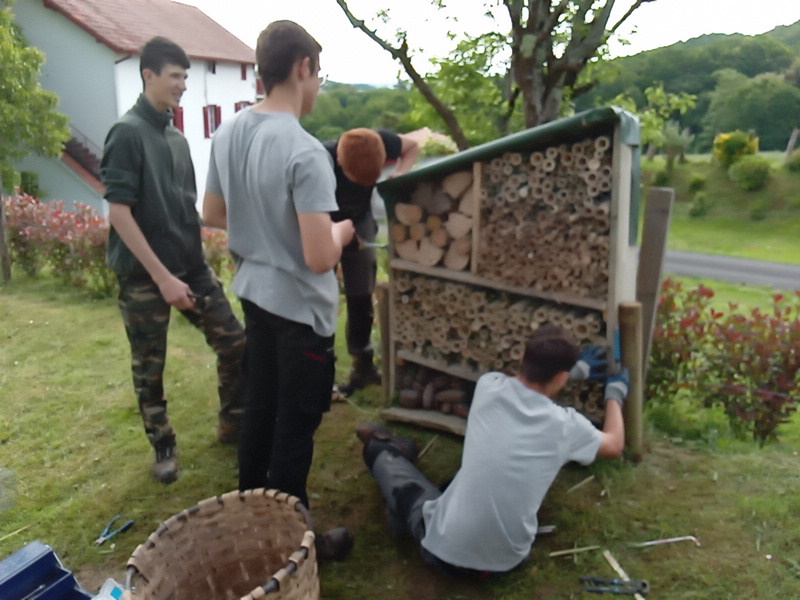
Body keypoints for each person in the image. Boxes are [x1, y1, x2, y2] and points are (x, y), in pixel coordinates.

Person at [202, 21, 355, 513]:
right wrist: (343, 232)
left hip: (254, 296)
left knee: (260, 413)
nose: (317, 87)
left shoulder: (228, 132)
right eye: (318, 75)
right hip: (300, 315)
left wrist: (263, 225)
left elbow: (213, 213)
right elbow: (318, 256)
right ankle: (289, 539)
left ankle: (252, 517)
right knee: (295, 426)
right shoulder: (305, 151)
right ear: (302, 67)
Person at [356, 324, 628, 576]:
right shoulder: (565, 427)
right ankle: (406, 493)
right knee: (463, 483)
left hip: (441, 553)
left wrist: (569, 373)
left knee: (384, 458)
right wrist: (614, 394)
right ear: (561, 377)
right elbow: (614, 444)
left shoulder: (489, 387)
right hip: (508, 562)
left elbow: (526, 381)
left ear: (522, 356)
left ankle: (390, 455)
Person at [100, 37, 246, 484]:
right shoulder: (126, 133)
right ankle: (163, 443)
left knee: (236, 343)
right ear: (149, 76)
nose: (184, 84)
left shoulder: (178, 139)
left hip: (191, 266)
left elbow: (184, 210)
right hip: (145, 275)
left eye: (186, 76)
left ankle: (234, 423)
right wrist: (162, 279)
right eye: (176, 76)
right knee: (150, 365)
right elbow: (119, 213)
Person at [323, 128, 423, 398]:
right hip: (325, 223)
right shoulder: (321, 157)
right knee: (322, 298)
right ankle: (320, 376)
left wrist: (400, 174)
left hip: (361, 219)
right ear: (341, 163)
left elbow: (412, 146)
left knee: (362, 293)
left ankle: (363, 366)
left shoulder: (382, 142)